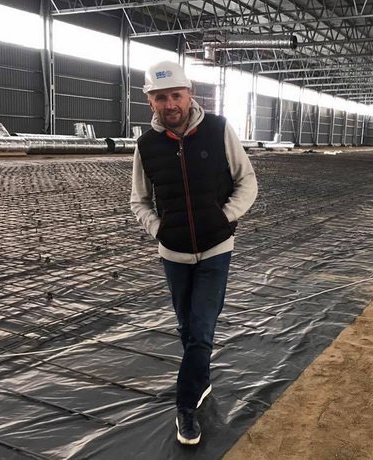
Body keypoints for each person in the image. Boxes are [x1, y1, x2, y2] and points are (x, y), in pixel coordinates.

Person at [130, 60, 258, 445]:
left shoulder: (218, 130)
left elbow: (247, 181)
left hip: (216, 250)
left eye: (176, 95)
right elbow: (139, 200)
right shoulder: (146, 146)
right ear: (150, 102)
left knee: (201, 330)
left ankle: (185, 406)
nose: (170, 104)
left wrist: (224, 217)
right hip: (174, 255)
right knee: (188, 328)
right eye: (160, 97)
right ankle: (201, 381)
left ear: (190, 95)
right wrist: (160, 230)